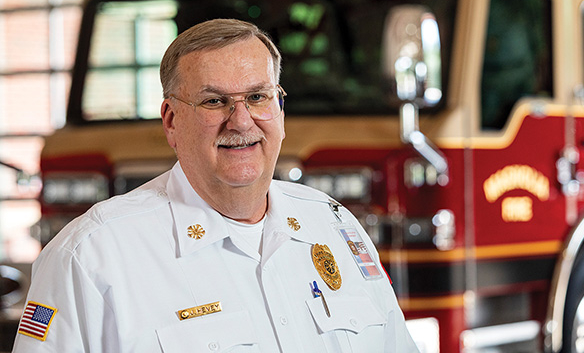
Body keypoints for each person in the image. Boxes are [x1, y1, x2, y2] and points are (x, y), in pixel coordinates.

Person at [12, 19, 420, 353]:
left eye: (258, 97)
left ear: (279, 108)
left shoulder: (334, 226)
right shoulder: (90, 257)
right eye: (213, 101)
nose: (241, 121)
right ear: (171, 120)